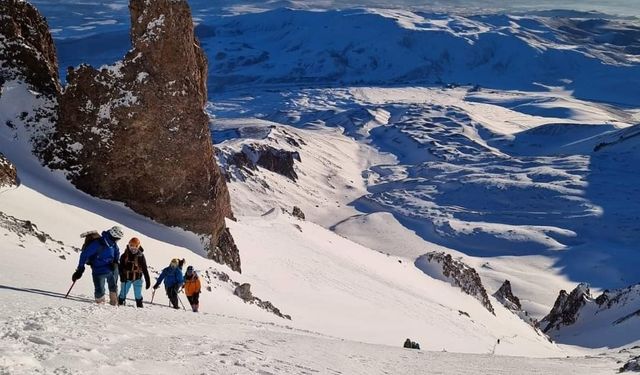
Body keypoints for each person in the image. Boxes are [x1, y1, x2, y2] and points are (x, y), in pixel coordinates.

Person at [72, 226, 123, 305]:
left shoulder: (113, 244)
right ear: (114, 236)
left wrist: (115, 262)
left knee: (113, 287)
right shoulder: (97, 243)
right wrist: (80, 269)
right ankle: (100, 306)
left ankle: (114, 305)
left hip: (110, 269)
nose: (118, 240)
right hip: (98, 270)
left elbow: (117, 252)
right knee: (100, 292)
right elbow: (84, 255)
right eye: (118, 238)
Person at [118, 237, 151, 308]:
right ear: (129, 246)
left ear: (138, 247)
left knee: (138, 294)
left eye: (135, 247)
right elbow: (120, 267)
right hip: (126, 278)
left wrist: (147, 280)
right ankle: (120, 303)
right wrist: (121, 276)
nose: (133, 249)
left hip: (138, 278)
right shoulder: (124, 255)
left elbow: (144, 268)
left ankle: (139, 305)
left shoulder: (141, 256)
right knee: (123, 293)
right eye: (131, 246)